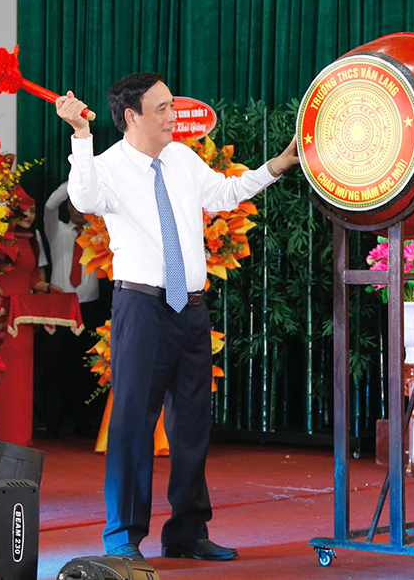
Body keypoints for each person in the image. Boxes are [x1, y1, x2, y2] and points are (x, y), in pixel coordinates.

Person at [57, 73, 300, 563]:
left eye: (172, 106)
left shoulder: (183, 158)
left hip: (190, 308)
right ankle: (123, 539)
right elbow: (84, 200)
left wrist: (278, 165)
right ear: (132, 116)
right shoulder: (104, 166)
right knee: (132, 424)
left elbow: (227, 194)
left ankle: (187, 532)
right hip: (141, 308)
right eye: (163, 107)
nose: (173, 115)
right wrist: (81, 136)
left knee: (192, 424)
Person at [36, 181, 107, 438]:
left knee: (87, 367)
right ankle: (53, 421)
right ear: (68, 205)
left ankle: (85, 421)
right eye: (74, 204)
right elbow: (49, 205)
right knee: (53, 364)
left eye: (83, 205)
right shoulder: (58, 231)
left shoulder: (100, 232)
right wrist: (78, 177)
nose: (78, 210)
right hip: (60, 305)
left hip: (90, 308)